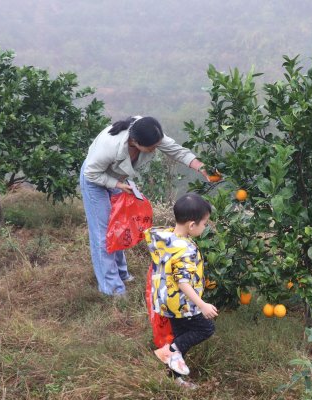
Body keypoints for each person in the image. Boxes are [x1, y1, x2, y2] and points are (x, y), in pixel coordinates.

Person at [80, 116, 209, 296]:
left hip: (118, 178)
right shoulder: (109, 146)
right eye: (152, 148)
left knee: (118, 227)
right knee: (103, 234)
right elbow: (91, 173)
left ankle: (121, 274)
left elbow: (176, 151)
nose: (155, 149)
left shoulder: (149, 131)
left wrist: (201, 167)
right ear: (135, 142)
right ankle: (111, 287)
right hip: (95, 180)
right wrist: (118, 185)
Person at [145, 193, 218, 389]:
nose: (205, 227)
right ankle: (170, 351)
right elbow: (183, 282)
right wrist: (202, 305)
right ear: (192, 225)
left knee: (181, 335)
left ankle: (174, 378)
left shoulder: (167, 237)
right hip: (182, 302)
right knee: (205, 329)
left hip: (166, 299)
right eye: (204, 224)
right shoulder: (185, 249)